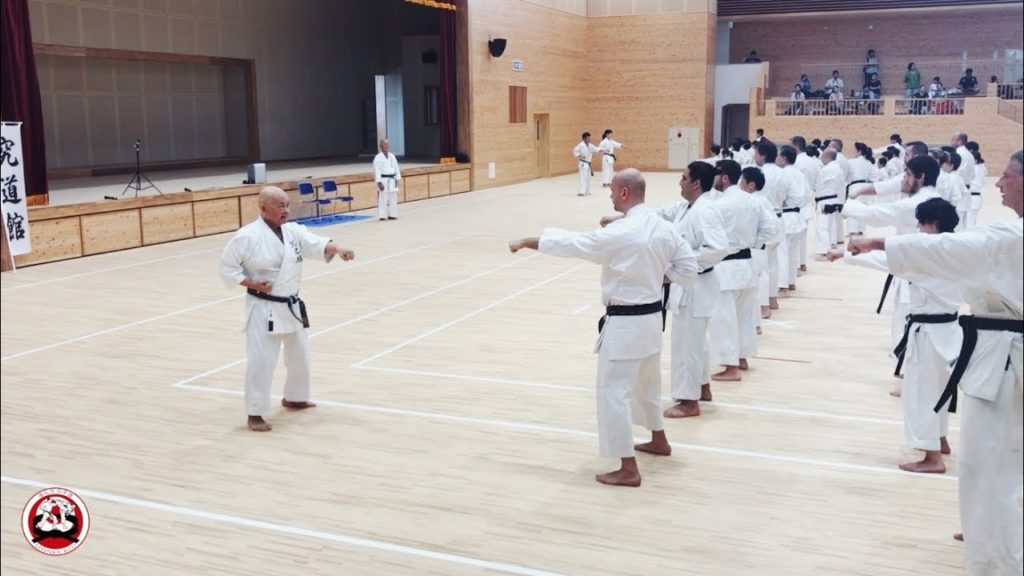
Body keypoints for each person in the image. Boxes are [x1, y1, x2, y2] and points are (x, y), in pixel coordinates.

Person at [847, 150, 1023, 576]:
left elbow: (956, 249)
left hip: (1006, 360)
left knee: (989, 464)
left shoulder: (1011, 236)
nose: (999, 184)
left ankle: (998, 556)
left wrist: (882, 242)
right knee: (1000, 465)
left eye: (1009, 176)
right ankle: (992, 532)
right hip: (999, 351)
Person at [508, 168, 698, 487]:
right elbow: (689, 269)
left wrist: (529, 241)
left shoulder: (622, 233)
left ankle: (627, 467)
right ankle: (659, 440)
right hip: (653, 320)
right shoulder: (662, 226)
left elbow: (577, 244)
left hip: (625, 324)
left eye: (612, 190)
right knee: (648, 385)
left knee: (614, 393)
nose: (609, 194)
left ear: (624, 193)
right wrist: (655, 277)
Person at [831, 198, 962, 473]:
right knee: (938, 391)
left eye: (920, 223)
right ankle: (939, 439)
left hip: (928, 335)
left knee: (920, 394)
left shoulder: (928, 254)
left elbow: (888, 258)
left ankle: (932, 457)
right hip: (948, 332)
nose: (917, 228)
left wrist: (850, 254)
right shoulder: (955, 249)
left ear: (933, 225)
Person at [219, 186, 356, 432]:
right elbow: (227, 268)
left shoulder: (293, 231)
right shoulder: (247, 236)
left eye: (287, 205)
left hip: (291, 305)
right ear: (263, 208)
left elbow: (317, 243)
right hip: (263, 307)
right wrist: (252, 283)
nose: (286, 210)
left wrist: (339, 248)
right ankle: (255, 412)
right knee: (262, 361)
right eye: (280, 206)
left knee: (300, 356)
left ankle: (295, 396)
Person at [656, 163, 729, 417]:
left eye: (684, 178)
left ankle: (688, 401)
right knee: (696, 341)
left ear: (696, 183)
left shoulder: (704, 211)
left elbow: (717, 249)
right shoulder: (688, 208)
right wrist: (625, 217)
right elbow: (661, 214)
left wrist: (677, 271)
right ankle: (702, 386)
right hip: (693, 286)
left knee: (686, 344)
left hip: (695, 286)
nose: (680, 182)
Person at [709, 162, 777, 382]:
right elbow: (770, 229)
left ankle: (731, 367)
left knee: (725, 319)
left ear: (725, 178)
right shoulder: (754, 202)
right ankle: (741, 358)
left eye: (717, 176)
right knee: (744, 316)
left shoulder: (719, 205)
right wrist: (752, 243)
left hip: (726, 267)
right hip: (747, 263)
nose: (715, 180)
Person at [814, 148, 845, 259]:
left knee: (822, 226)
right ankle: (831, 245)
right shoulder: (838, 169)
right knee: (830, 225)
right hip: (834, 199)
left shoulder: (826, 169)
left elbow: (818, 185)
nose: (821, 159)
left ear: (827, 156)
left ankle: (823, 251)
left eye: (822, 156)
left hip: (825, 200)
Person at [373, 139, 402, 221]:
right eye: (384, 144)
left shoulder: (392, 156)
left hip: (392, 179)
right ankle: (382, 215)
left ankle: (392, 214)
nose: (386, 146)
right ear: (381, 146)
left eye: (387, 144)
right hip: (383, 180)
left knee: (393, 197)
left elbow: (396, 167)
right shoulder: (378, 157)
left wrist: (397, 178)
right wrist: (379, 182)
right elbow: (377, 170)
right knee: (383, 198)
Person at [573, 132, 601, 196]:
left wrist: (602, 150)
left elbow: (596, 149)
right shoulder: (580, 145)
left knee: (588, 178)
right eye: (588, 138)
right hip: (583, 163)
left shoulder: (590, 145)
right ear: (584, 138)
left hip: (588, 164)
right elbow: (575, 151)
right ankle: (581, 192)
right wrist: (579, 155)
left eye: (590, 137)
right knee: (583, 177)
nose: (589, 139)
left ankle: (587, 191)